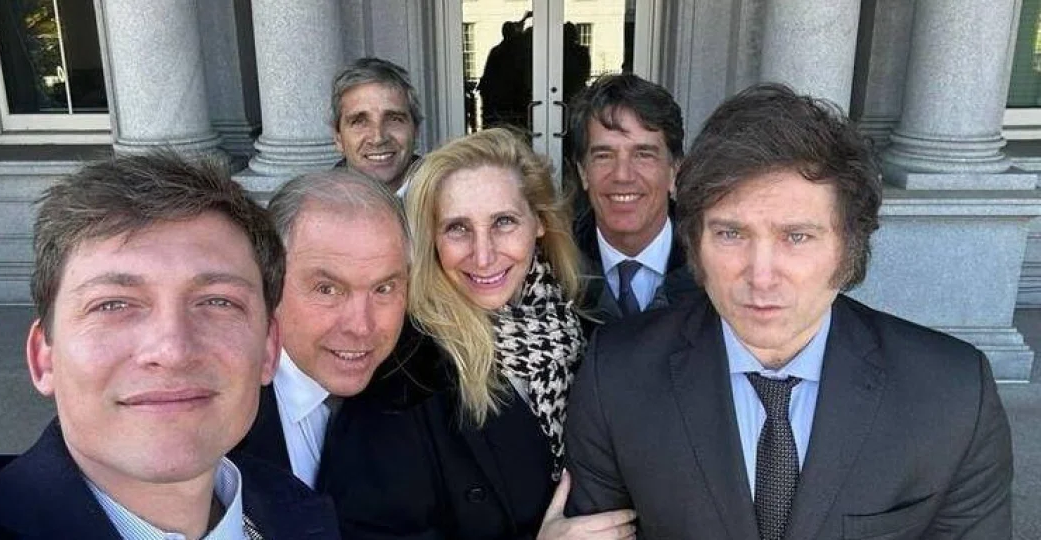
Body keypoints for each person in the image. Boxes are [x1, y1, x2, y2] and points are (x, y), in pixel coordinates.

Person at [564, 83, 1014, 539]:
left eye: (796, 237)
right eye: (731, 234)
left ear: (848, 249)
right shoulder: (615, 376)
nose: (761, 276)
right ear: (695, 243)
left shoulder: (954, 396)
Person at [0, 152, 339, 539]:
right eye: (113, 305)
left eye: (217, 301)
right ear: (44, 359)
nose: (172, 352)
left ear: (269, 349)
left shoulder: (300, 513)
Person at [322, 128, 636, 540]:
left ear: (539, 223)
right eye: (457, 228)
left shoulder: (590, 332)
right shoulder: (403, 378)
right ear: (432, 240)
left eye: (503, 222)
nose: (483, 255)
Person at [232, 168, 433, 491]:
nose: (360, 327)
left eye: (383, 288)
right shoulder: (216, 410)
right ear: (271, 282)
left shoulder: (428, 382)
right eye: (327, 289)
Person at [568, 74, 698, 323]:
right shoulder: (554, 268)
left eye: (643, 154)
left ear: (674, 171)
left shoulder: (712, 267)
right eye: (604, 155)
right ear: (583, 173)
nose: (622, 175)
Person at [331, 57, 423, 196]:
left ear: (416, 131)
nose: (378, 138)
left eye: (394, 119)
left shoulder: (449, 199)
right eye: (359, 122)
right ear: (338, 138)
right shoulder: (312, 206)